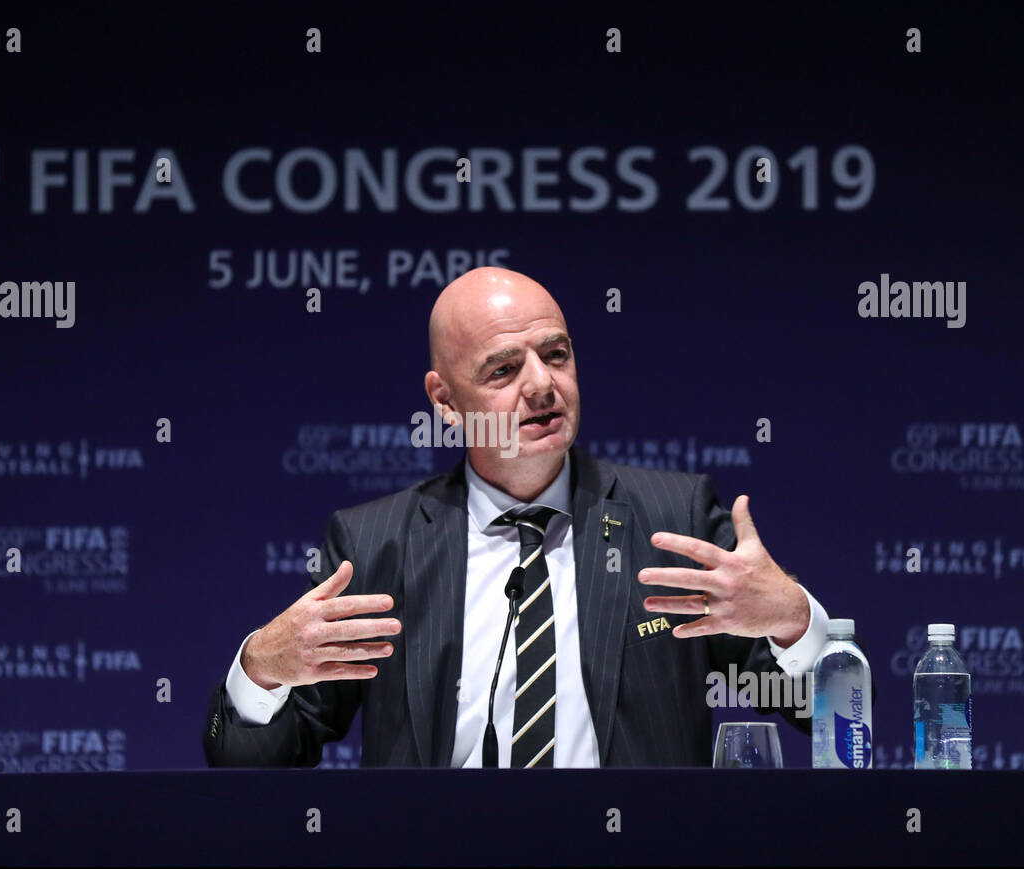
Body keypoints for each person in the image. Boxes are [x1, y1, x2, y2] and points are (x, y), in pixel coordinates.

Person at [204, 267, 847, 767]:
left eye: (557, 354)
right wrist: (261, 667)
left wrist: (793, 621)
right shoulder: (377, 546)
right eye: (505, 369)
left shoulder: (669, 521)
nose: (541, 384)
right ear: (446, 402)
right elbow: (252, 766)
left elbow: (825, 722)